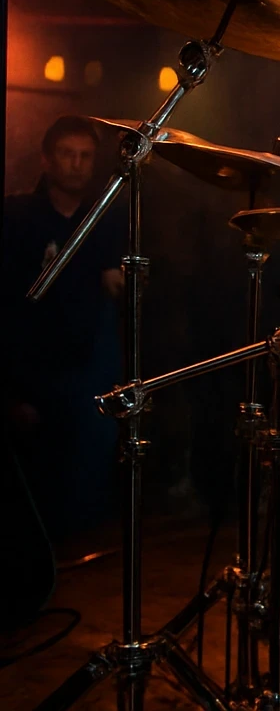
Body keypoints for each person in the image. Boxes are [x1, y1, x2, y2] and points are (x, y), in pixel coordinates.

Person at [1, 116, 125, 540]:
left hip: (88, 372)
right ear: (47, 159)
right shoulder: (16, 218)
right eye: (67, 155)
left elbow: (117, 290)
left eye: (85, 157)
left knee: (85, 488)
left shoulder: (104, 219)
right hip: (31, 370)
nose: (76, 165)